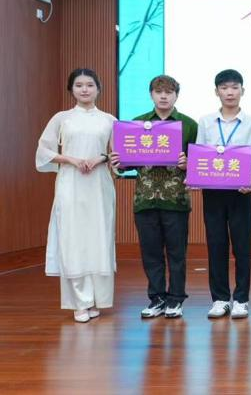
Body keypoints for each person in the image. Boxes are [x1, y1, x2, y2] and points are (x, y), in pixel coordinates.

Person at [110, 74, 197, 319]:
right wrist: (119, 162)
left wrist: (187, 163)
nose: (164, 96)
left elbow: (201, 165)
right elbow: (125, 165)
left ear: (176, 95)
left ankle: (176, 299)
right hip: (145, 199)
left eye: (169, 92)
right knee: (150, 252)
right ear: (151, 95)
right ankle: (157, 298)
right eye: (159, 92)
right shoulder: (136, 124)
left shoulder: (189, 125)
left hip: (176, 199)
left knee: (176, 252)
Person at [36, 68, 117, 323]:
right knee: (73, 237)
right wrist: (71, 159)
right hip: (70, 183)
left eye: (90, 85)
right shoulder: (62, 118)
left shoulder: (109, 120)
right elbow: (44, 151)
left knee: (98, 237)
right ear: (71, 89)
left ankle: (95, 301)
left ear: (98, 89)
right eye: (79, 85)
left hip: (99, 183)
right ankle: (79, 303)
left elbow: (117, 156)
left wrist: (100, 158)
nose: (84, 89)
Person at [194, 69, 251, 320]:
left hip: (240, 192)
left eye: (235, 87)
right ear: (217, 92)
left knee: (242, 246)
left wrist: (250, 176)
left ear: (242, 91)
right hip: (212, 192)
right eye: (224, 88)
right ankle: (220, 298)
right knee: (216, 244)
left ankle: (242, 299)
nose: (230, 92)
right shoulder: (206, 122)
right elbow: (201, 155)